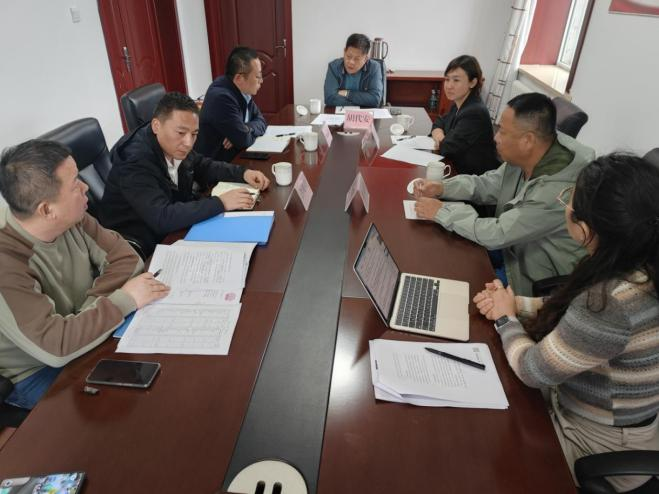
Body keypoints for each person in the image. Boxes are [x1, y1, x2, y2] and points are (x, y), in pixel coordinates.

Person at [473, 154, 659, 492]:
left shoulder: (610, 303)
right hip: (614, 418)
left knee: (483, 445)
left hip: (596, 441)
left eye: (568, 199)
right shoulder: (640, 263)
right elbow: (581, 321)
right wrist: (516, 304)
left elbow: (532, 370)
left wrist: (505, 319)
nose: (565, 203)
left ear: (585, 229)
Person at [0, 140, 170, 409]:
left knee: (164, 371)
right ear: (47, 210)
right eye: (74, 184)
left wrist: (92, 311)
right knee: (125, 408)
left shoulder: (72, 215)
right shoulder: (7, 263)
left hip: (85, 333)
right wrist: (123, 300)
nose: (86, 187)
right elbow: (55, 348)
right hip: (36, 370)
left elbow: (126, 259)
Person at [414, 92, 595, 296]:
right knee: (443, 250)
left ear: (527, 140)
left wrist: (441, 211)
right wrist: (442, 187)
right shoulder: (532, 153)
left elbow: (498, 233)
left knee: (450, 283)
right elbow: (488, 184)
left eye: (503, 132)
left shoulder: (558, 192)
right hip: (512, 249)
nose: (495, 137)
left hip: (529, 276)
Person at [101, 92, 270, 258]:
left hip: (172, 224)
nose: (188, 143)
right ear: (156, 126)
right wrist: (221, 203)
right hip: (140, 243)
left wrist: (243, 173)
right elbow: (162, 217)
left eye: (194, 134)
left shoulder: (172, 144)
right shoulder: (134, 161)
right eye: (181, 133)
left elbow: (202, 164)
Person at [195, 46, 267, 161]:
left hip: (235, 157)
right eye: (258, 76)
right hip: (214, 165)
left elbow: (261, 121)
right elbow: (243, 140)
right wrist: (241, 134)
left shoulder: (243, 91)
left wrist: (247, 127)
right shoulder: (221, 98)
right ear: (239, 78)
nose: (261, 81)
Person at [430, 55, 499, 175]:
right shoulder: (459, 103)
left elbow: (448, 148)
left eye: (456, 80)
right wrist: (440, 135)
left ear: (472, 82)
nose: (449, 86)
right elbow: (439, 121)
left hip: (473, 177)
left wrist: (440, 139)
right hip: (456, 168)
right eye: (447, 79)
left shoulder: (475, 113)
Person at [323, 33, 383, 108]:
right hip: (340, 114)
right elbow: (329, 98)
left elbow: (375, 99)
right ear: (344, 51)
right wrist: (363, 101)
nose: (351, 62)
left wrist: (348, 93)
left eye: (356, 59)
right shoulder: (334, 67)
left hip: (365, 114)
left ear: (365, 59)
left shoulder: (374, 68)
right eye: (348, 56)